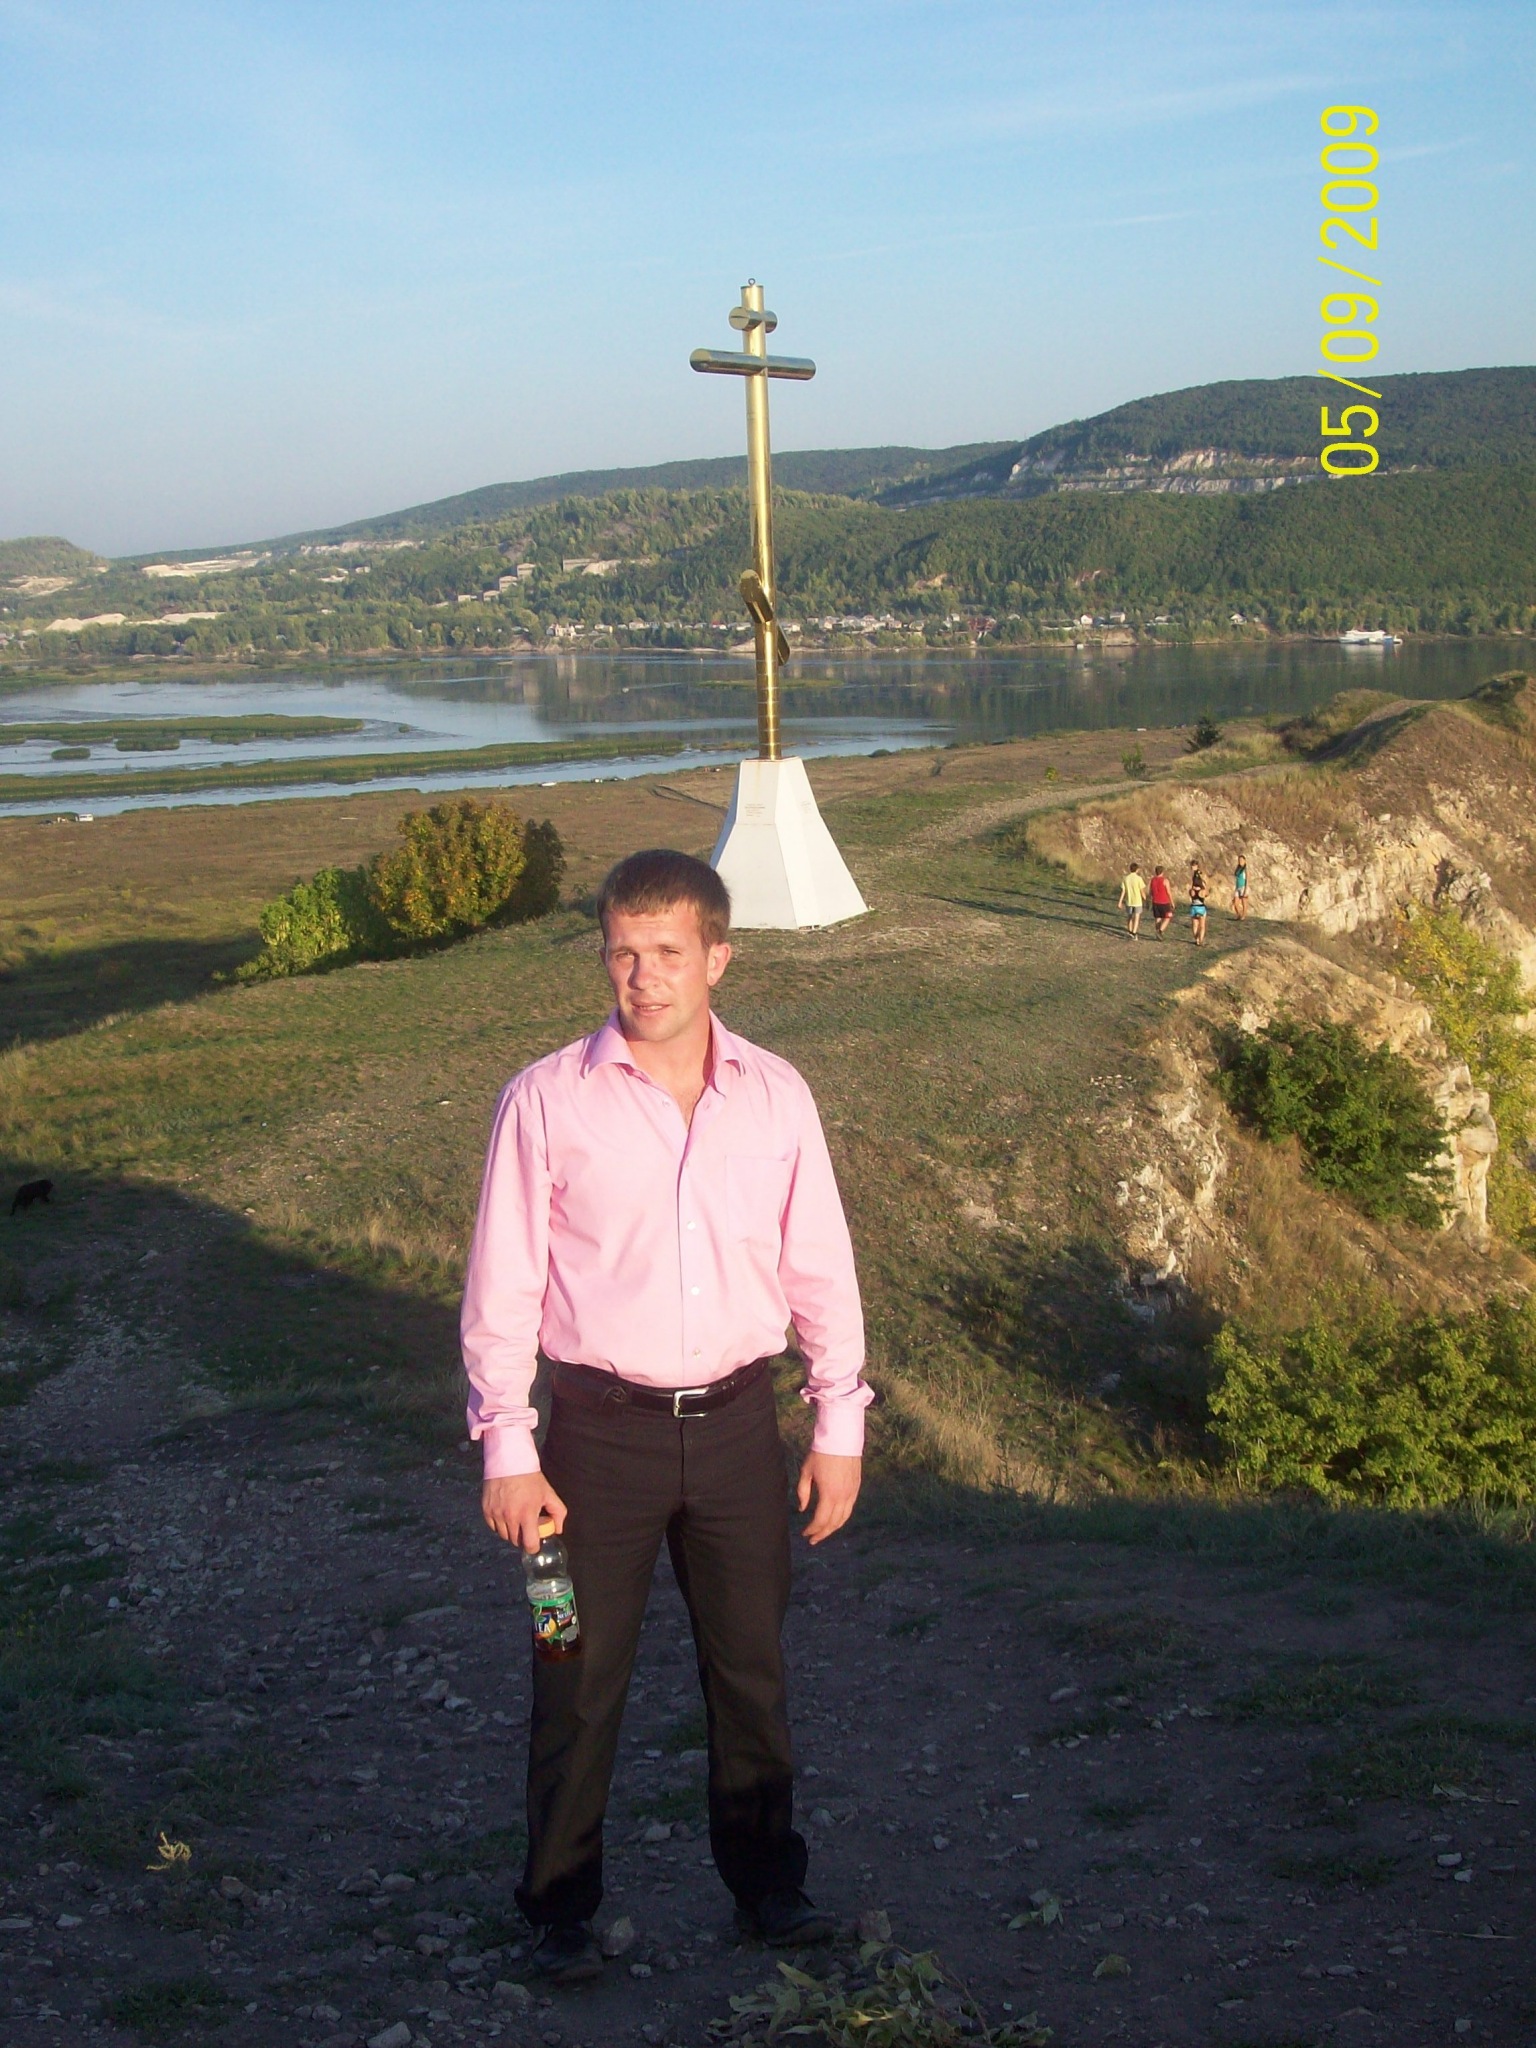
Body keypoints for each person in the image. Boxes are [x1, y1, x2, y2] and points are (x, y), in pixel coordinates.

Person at [461, 848, 870, 1986]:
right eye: (622, 952)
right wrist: (507, 1447)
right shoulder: (545, 1100)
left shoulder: (778, 1096)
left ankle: (769, 1888)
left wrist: (838, 1425)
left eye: (668, 952)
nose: (643, 976)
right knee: (569, 1664)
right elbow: (502, 1288)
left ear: (718, 957)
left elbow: (821, 1271)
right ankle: (558, 1909)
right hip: (589, 1444)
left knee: (751, 1670)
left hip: (739, 1434)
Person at [1117, 862, 1146, 939]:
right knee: (1136, 917)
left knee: (1129, 916)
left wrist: (1120, 901)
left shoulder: (1126, 878)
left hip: (1129, 901)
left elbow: (1123, 891)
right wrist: (1144, 897)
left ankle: (1130, 931)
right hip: (1137, 901)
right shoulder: (1139, 879)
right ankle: (1134, 932)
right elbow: (1142, 890)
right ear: (1137, 870)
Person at [1148, 865, 1174, 938]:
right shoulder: (1165, 880)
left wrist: (1150, 899)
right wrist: (1172, 902)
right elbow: (1168, 892)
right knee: (1168, 917)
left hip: (1155, 902)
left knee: (1158, 917)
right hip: (1164, 902)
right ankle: (1160, 931)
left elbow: (1150, 892)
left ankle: (1157, 932)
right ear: (1162, 872)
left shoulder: (1153, 880)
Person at [1190, 874, 1208, 947]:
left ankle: (1196, 939)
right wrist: (1205, 886)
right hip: (1201, 908)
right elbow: (1207, 894)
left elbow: (1190, 895)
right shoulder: (1202, 890)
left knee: (1195, 925)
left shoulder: (1191, 890)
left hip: (1193, 908)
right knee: (1202, 926)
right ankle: (1201, 940)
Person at [1232, 854, 1249, 920]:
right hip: (1238, 887)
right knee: (1235, 903)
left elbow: (1247, 879)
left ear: (1244, 861)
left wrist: (1246, 889)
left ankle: (1243, 915)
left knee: (1244, 902)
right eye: (1239, 860)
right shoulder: (1238, 869)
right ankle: (1239, 914)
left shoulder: (1245, 869)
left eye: (1242, 860)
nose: (1240, 861)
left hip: (1243, 886)